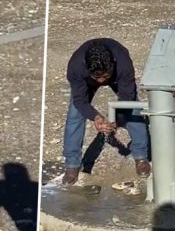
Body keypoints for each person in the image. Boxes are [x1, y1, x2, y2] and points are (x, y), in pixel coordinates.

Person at [62, 39, 151, 186]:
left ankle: (141, 156)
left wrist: (115, 119)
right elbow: (80, 101)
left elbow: (126, 98)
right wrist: (96, 117)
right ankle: (72, 165)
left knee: (134, 109)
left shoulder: (123, 63)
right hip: (86, 81)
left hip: (118, 77)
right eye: (97, 77)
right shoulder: (75, 67)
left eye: (105, 76)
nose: (102, 81)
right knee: (74, 115)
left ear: (113, 65)